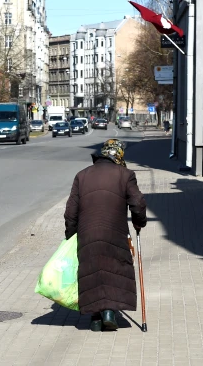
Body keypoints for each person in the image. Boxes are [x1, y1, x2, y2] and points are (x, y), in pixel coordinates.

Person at [64, 139, 147, 332]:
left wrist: (71, 234)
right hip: (115, 233)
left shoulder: (82, 176)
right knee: (114, 269)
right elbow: (138, 202)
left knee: (92, 272)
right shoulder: (126, 175)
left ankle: (95, 318)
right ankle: (109, 312)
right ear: (118, 157)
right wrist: (139, 222)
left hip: (87, 234)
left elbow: (71, 211)